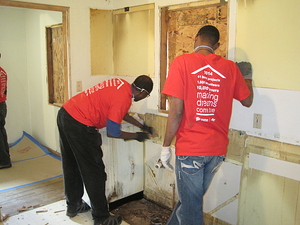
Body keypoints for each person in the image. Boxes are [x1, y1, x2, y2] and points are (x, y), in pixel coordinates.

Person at [160, 25, 253, 225]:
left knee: (191, 211)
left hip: (190, 152)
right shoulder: (230, 68)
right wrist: (247, 77)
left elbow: (176, 110)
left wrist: (165, 146)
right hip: (216, 152)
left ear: (195, 39)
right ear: (217, 45)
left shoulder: (182, 62)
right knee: (189, 203)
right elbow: (247, 101)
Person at [57, 75, 154, 225]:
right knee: (94, 171)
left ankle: (73, 205)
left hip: (66, 113)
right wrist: (137, 135)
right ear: (142, 92)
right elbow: (113, 132)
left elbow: (121, 112)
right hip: (80, 124)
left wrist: (141, 125)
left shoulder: (121, 85)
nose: (144, 97)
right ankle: (101, 218)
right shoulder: (124, 98)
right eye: (146, 95)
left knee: (71, 164)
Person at [0, 56, 11, 169]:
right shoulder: (2, 72)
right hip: (2, 104)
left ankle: (3, 161)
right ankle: (6, 158)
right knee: (1, 131)